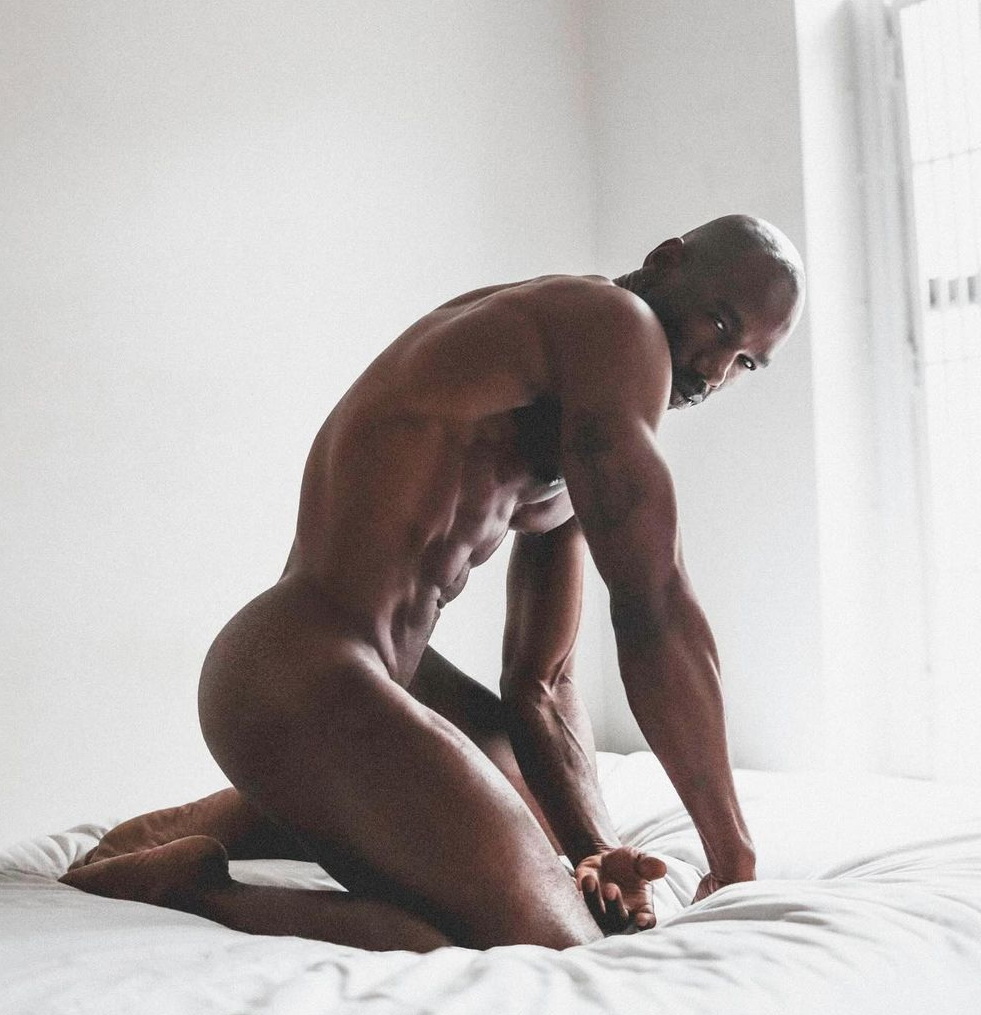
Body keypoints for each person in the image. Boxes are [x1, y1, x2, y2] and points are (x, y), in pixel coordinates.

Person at [60, 214, 805, 953]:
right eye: (719, 324)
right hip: (298, 673)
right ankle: (193, 883)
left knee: (540, 829)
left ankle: (253, 816)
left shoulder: (591, 417)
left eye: (745, 361)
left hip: (383, 679)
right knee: (545, 942)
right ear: (665, 260)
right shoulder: (610, 321)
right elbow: (654, 608)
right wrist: (731, 856)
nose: (713, 370)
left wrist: (595, 851)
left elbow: (541, 684)